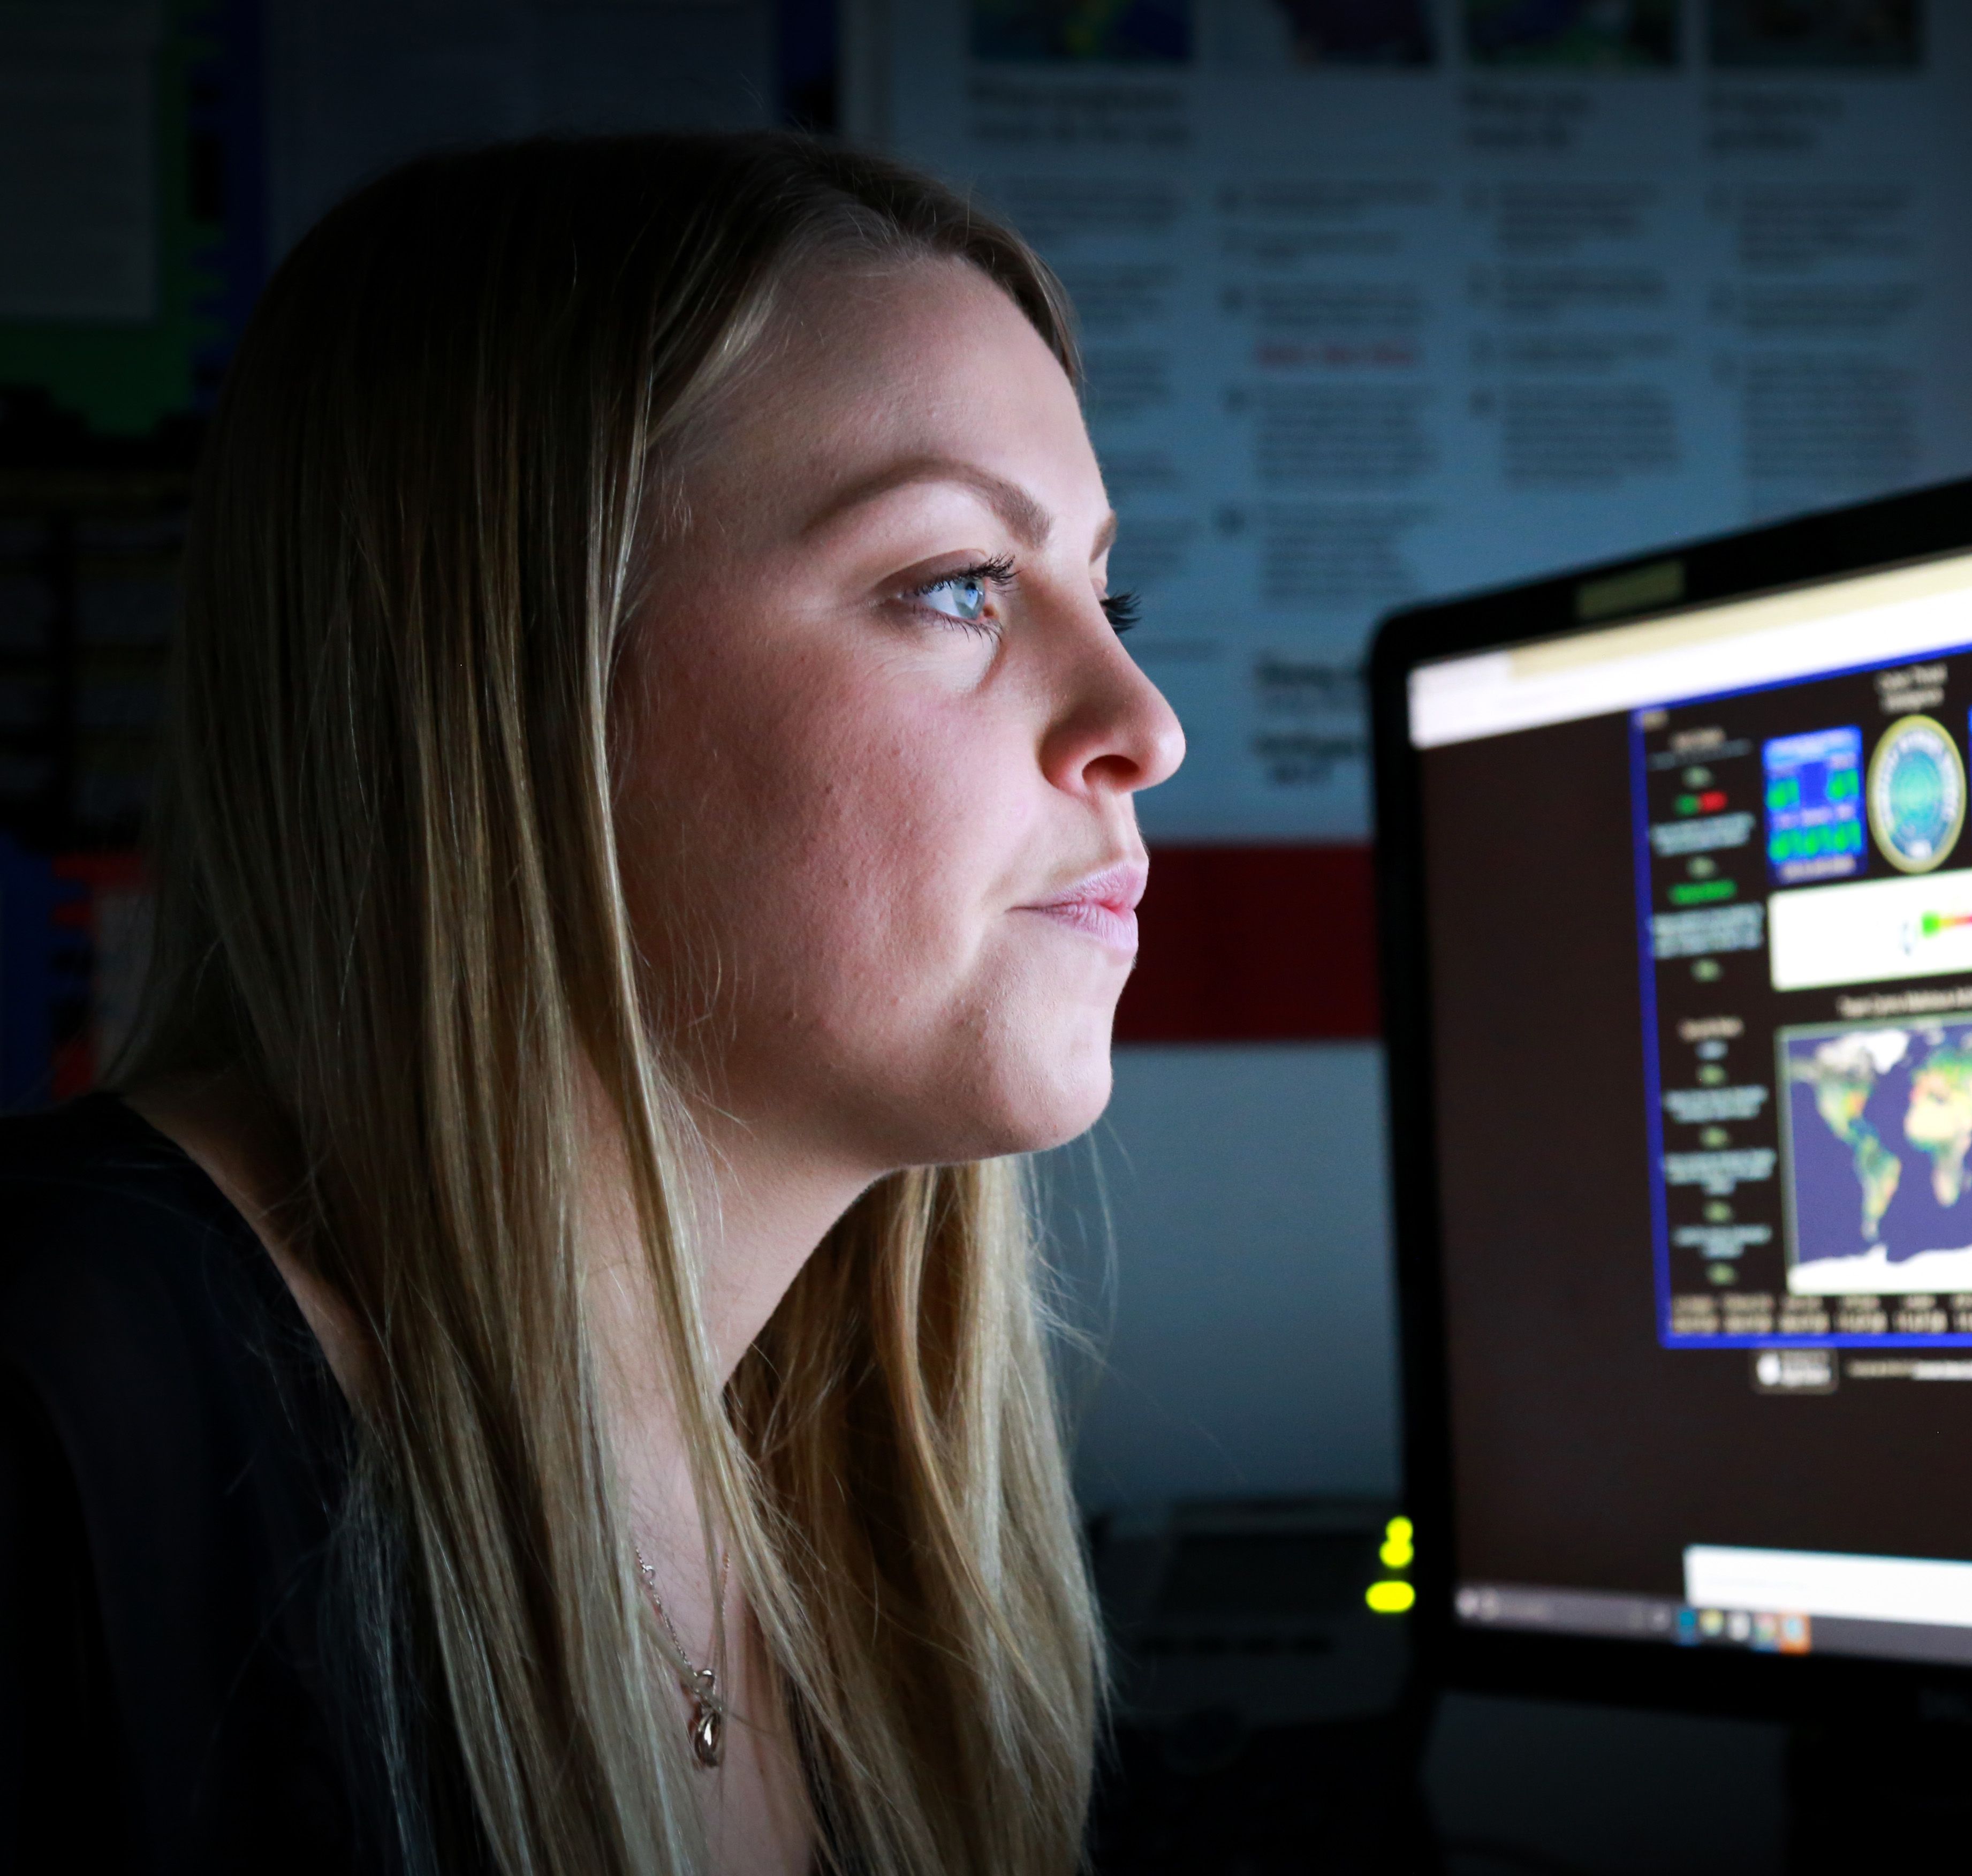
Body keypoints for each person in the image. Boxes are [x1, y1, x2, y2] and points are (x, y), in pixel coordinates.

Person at [0, 133, 1183, 1874]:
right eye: (959, 587)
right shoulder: (51, 1409)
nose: (1145, 723)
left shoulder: (855, 1513)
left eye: (1107, 590)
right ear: (511, 673)